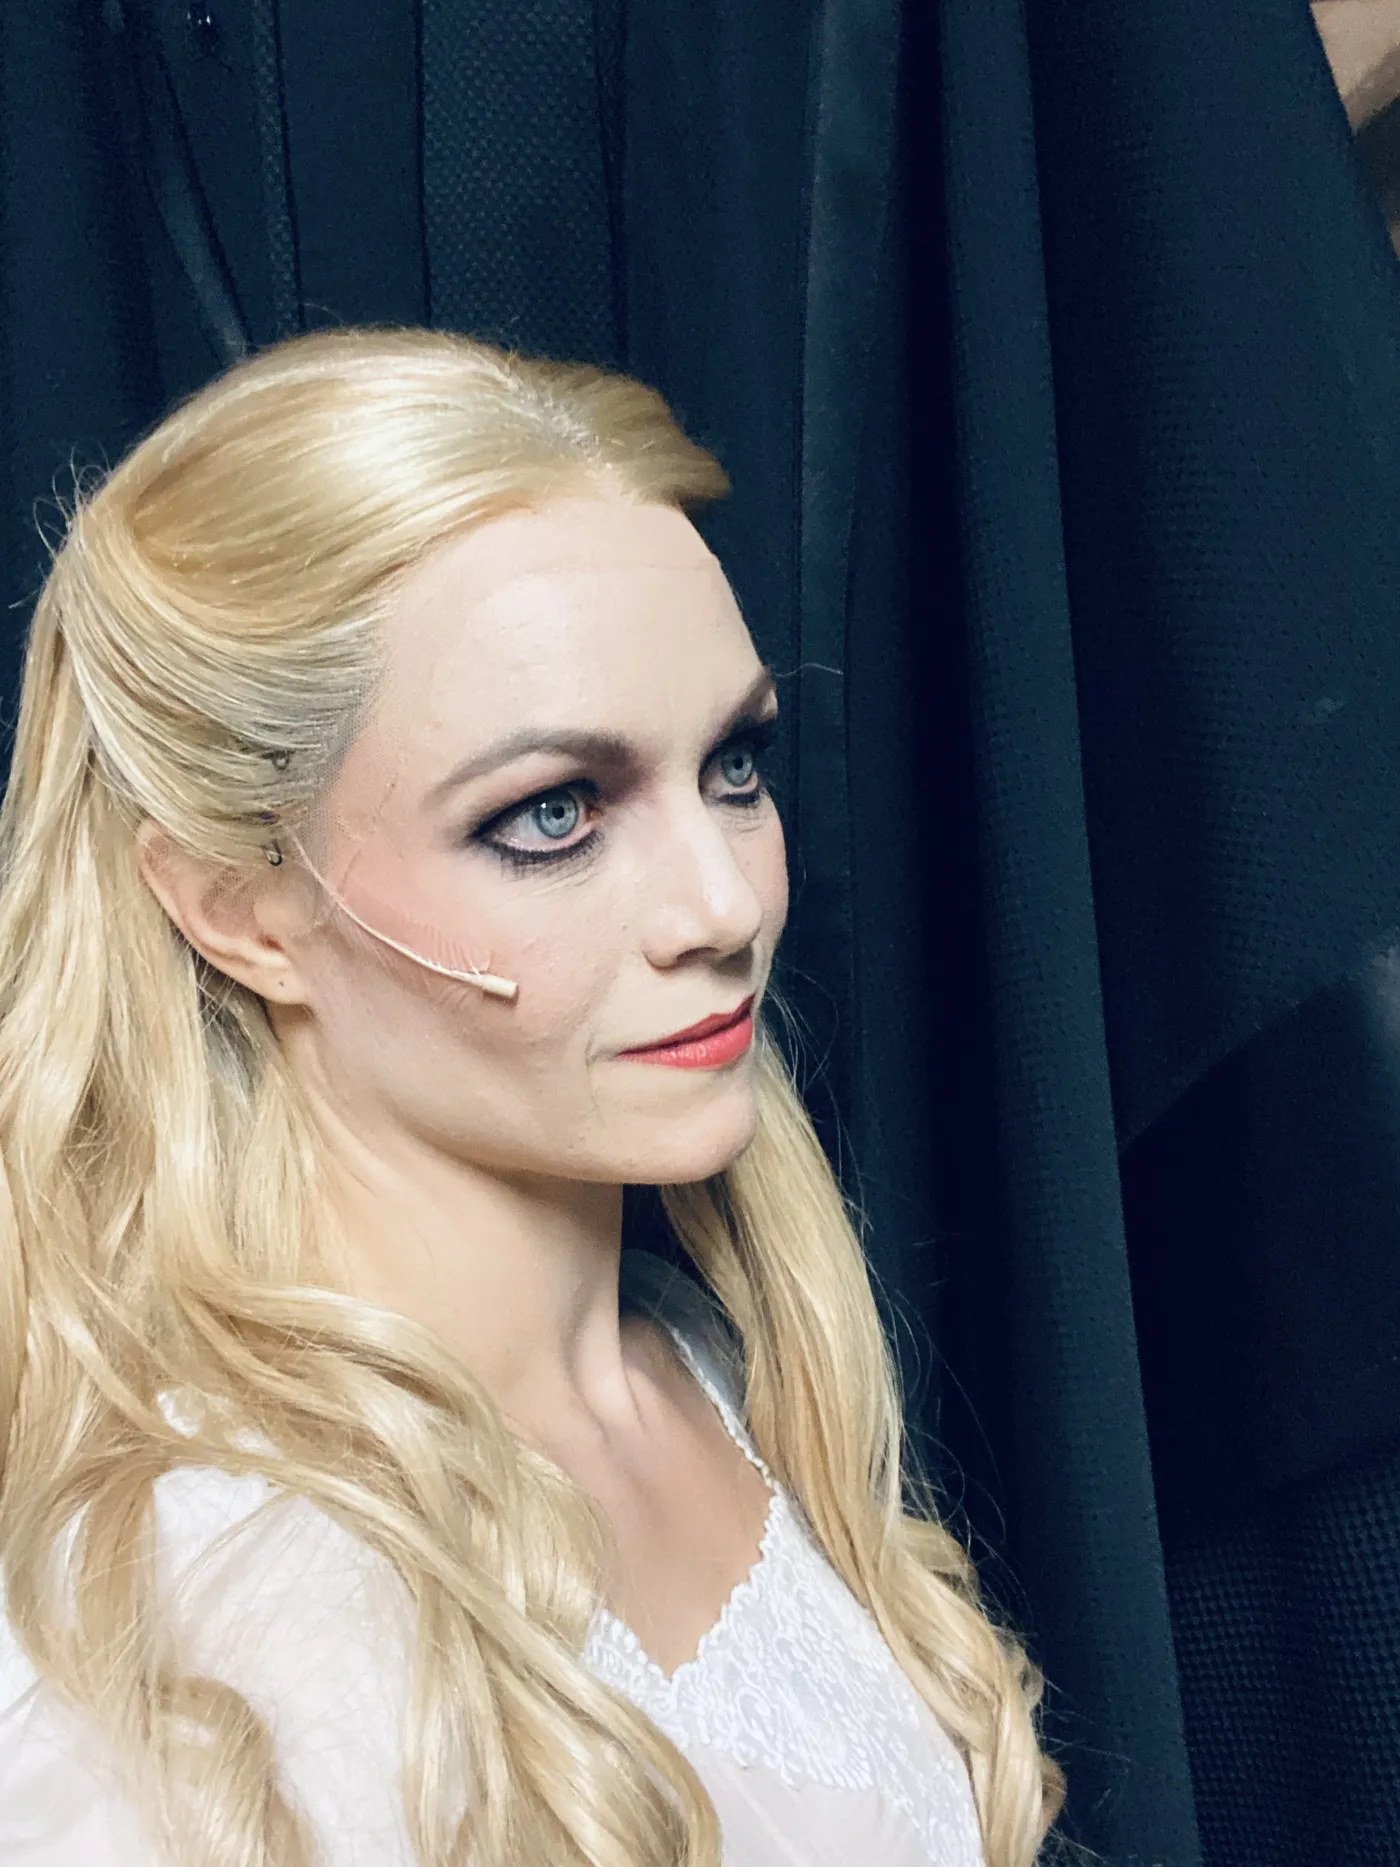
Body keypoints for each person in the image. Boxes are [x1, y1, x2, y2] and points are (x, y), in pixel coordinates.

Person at [0, 327, 1065, 1867]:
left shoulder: (731, 1379)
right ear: (237, 904)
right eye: (553, 812)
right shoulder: (179, 1626)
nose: (723, 905)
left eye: (734, 766)